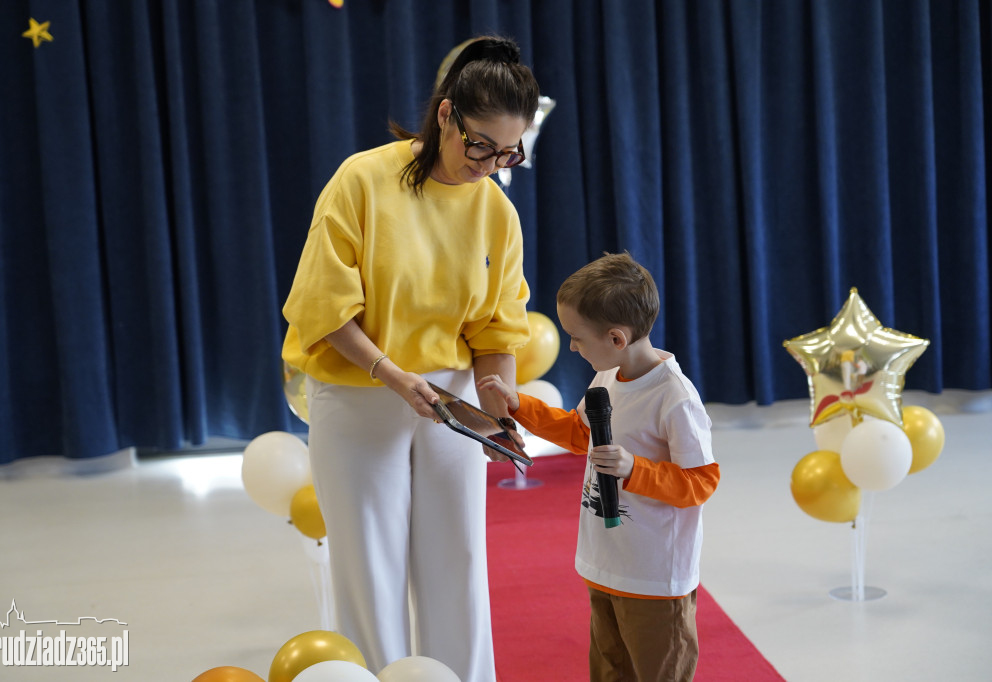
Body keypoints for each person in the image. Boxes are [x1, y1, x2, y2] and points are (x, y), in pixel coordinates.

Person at [280, 36, 540, 681]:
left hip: (449, 400)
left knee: (460, 563)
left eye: (509, 151)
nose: (490, 163)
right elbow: (324, 305)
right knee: (369, 570)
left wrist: (495, 407)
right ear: (446, 114)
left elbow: (497, 330)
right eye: (480, 144)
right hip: (363, 388)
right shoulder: (363, 179)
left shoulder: (498, 212)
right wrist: (392, 375)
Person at [478, 252, 720, 682]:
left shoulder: (675, 397)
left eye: (577, 337)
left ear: (616, 339)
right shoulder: (606, 376)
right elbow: (579, 433)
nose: (571, 346)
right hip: (606, 564)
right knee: (609, 669)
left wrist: (633, 468)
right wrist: (521, 405)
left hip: (653, 577)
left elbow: (700, 483)